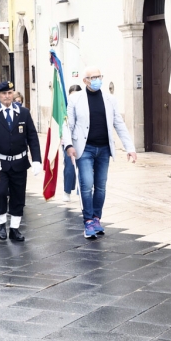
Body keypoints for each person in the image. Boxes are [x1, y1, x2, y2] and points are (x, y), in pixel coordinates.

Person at [63, 66, 137, 238]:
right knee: (86, 185)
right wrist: (68, 145)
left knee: (101, 186)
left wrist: (130, 148)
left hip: (104, 149)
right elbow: (68, 124)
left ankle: (97, 218)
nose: (97, 80)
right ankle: (88, 221)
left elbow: (119, 123)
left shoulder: (110, 99)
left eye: (99, 76)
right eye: (93, 77)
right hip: (84, 149)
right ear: (85, 81)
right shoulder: (75, 99)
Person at [0, 81, 42, 241]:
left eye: (10, 93)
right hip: (0, 162)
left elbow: (32, 136)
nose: (7, 96)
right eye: (4, 93)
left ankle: (15, 228)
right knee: (1, 192)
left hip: (19, 161)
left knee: (18, 194)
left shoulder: (23, 112)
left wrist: (36, 159)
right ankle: (1, 223)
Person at [63, 84, 82, 202]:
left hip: (82, 141)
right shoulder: (64, 109)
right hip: (69, 142)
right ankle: (67, 191)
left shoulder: (83, 107)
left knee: (83, 168)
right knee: (69, 168)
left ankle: (82, 192)